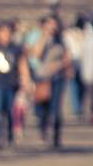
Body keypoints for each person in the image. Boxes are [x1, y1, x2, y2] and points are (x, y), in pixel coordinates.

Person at [29, 13, 71, 147]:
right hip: (41, 78)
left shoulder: (61, 41)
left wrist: (58, 66)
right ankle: (43, 132)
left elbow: (67, 58)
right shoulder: (39, 38)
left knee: (56, 108)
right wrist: (45, 36)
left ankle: (56, 137)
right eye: (50, 24)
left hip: (57, 78)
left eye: (54, 24)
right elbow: (36, 55)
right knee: (42, 109)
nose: (53, 27)